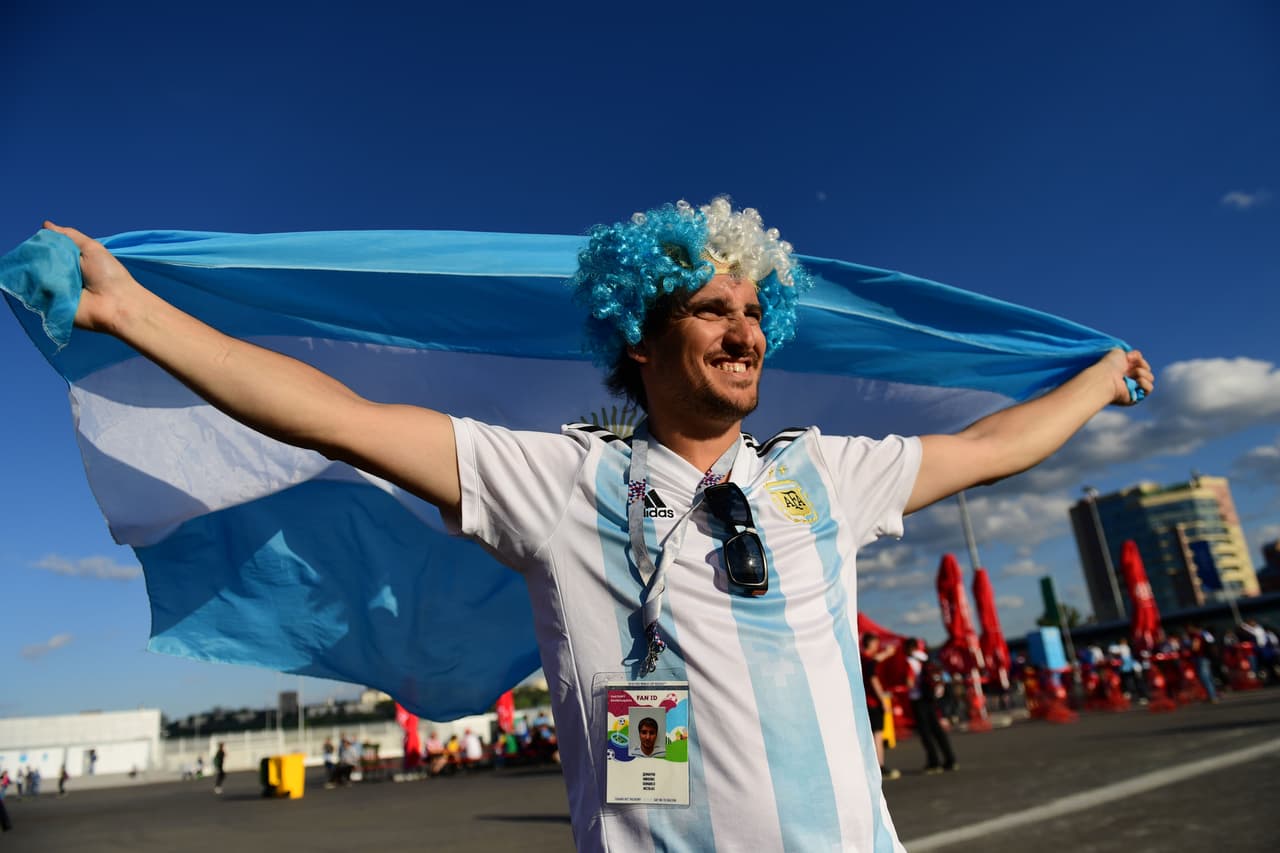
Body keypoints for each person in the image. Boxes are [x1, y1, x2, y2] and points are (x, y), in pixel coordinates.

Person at [40, 198, 1152, 851]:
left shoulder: (825, 474)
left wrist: (1098, 381)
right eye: (711, 309)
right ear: (640, 340)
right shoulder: (562, 482)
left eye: (754, 311)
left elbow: (991, 449)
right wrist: (128, 310)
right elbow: (339, 418)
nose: (744, 332)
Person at [906, 639, 957, 774]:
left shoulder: (910, 661)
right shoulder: (926, 658)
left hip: (918, 699)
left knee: (926, 732)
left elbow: (910, 682)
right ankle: (950, 759)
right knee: (937, 730)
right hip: (931, 697)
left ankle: (934, 762)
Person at [860, 633, 900, 780]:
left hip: (864, 703)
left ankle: (873, 766)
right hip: (872, 703)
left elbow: (875, 660)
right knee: (877, 735)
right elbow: (874, 680)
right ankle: (880, 765)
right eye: (876, 644)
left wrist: (886, 654)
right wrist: (883, 700)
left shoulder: (861, 659)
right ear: (870, 644)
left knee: (869, 736)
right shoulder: (868, 661)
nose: (877, 647)